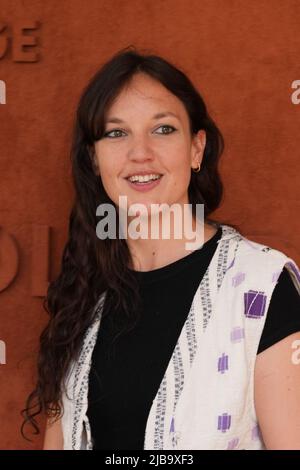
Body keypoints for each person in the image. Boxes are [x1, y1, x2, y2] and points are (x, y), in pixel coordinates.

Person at [22, 47, 300, 450]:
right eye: (116, 132)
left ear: (196, 149)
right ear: (94, 160)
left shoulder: (261, 287)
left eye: (163, 129)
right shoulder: (83, 292)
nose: (140, 153)